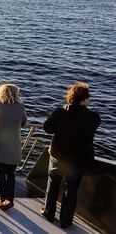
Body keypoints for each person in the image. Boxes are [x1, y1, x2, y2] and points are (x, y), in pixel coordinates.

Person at [41, 82, 101, 229]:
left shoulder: (60, 112)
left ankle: (49, 212)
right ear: (84, 99)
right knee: (72, 188)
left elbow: (47, 128)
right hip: (79, 159)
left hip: (58, 156)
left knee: (53, 183)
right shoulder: (93, 117)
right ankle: (66, 221)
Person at [0, 83, 27, 210]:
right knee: (11, 173)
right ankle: (10, 198)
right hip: (14, 144)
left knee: (0, 172)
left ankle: (1, 198)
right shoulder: (20, 106)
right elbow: (24, 123)